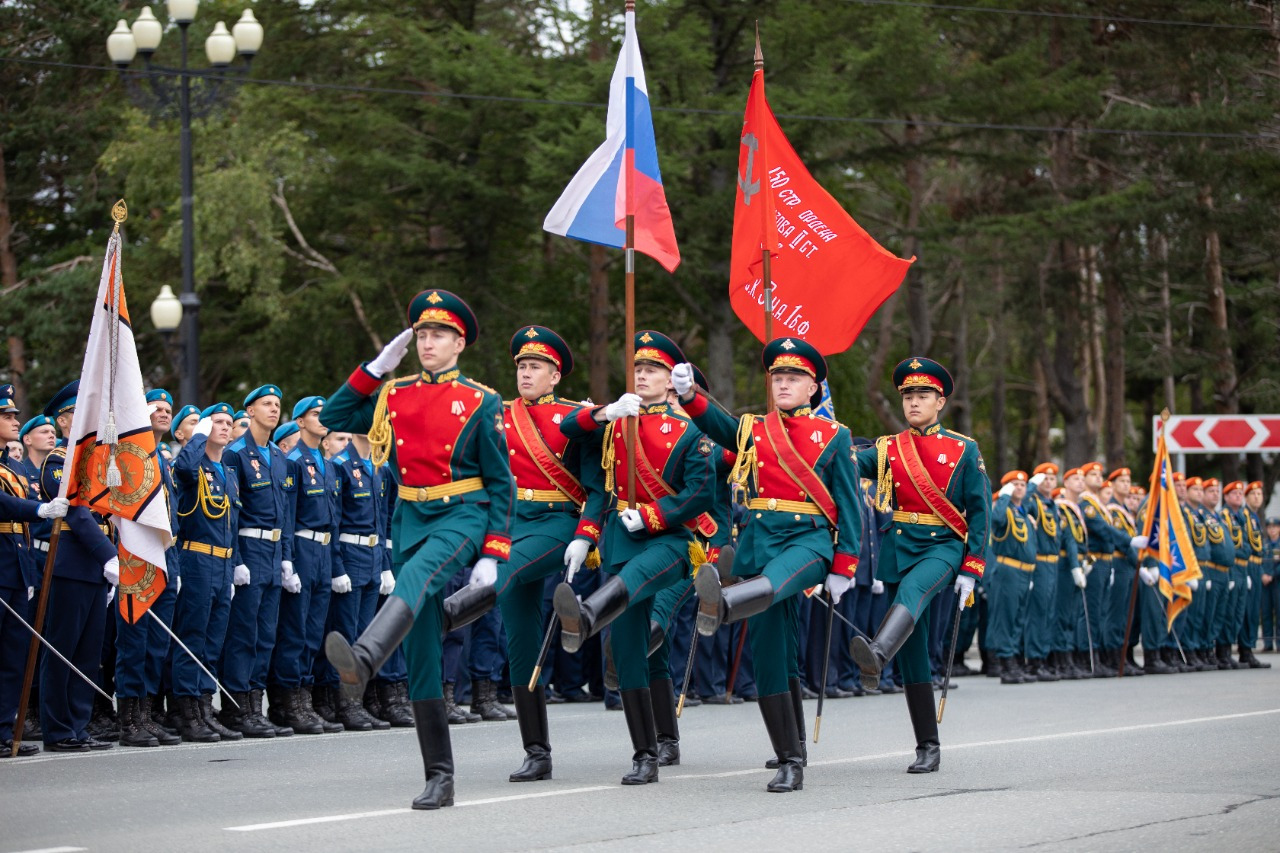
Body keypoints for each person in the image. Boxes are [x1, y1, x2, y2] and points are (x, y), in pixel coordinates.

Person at [322, 289, 514, 810]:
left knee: (424, 574)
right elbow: (332, 416)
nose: (428, 343)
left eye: (438, 336)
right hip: (410, 517)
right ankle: (440, 776)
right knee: (423, 646)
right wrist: (374, 369)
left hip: (461, 514)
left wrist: (494, 550)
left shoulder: (480, 400)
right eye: (422, 335)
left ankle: (364, 655)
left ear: (459, 344)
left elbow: (502, 482)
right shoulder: (396, 394)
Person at [676, 338, 860, 793]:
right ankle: (789, 753)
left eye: (793, 377)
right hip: (760, 545)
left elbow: (851, 506)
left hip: (809, 543)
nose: (783, 383)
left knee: (776, 584)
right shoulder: (755, 428)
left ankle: (720, 604)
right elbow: (720, 426)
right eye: (777, 377)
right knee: (772, 657)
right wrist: (690, 397)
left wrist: (845, 566)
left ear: (813, 387)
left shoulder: (833, 435)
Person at [436, 325, 605, 781]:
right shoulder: (497, 416)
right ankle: (537, 751)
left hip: (555, 526)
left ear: (555, 377)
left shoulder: (575, 417)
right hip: (511, 525)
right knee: (521, 647)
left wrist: (586, 534)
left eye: (537, 367)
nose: (527, 374)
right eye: (523, 367)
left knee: (502, 574)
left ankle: (443, 616)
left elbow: (595, 486)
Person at [554, 330, 714, 787]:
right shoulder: (616, 421)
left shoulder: (690, 429)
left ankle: (585, 616)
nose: (643, 375)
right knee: (633, 650)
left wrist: (652, 514)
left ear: (671, 380)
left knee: (640, 584)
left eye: (653, 370)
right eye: (638, 368)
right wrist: (604, 412)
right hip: (620, 542)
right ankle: (649, 750)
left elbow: (700, 492)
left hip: (668, 541)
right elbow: (569, 435)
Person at [848, 357, 990, 774]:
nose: (913, 402)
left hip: (942, 548)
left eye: (922, 395)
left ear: (940, 401)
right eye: (908, 395)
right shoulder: (888, 447)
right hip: (898, 550)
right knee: (913, 654)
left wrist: (973, 567)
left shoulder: (963, 448)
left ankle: (876, 651)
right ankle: (928, 745)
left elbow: (980, 509)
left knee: (912, 593)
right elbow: (848, 462)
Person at [37, 384, 120, 752]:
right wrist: (108, 555)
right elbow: (77, 514)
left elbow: (109, 516)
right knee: (61, 650)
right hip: (70, 565)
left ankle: (79, 725)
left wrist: (111, 557)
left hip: (96, 569)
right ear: (65, 419)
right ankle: (58, 729)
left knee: (89, 652)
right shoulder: (59, 462)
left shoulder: (95, 464)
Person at [219, 385, 295, 738]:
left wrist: (286, 559)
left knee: (266, 634)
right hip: (248, 548)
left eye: (277, 404)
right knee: (243, 633)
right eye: (266, 403)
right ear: (248, 411)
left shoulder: (279, 458)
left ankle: (254, 703)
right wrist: (235, 558)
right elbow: (230, 512)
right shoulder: (235, 453)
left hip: (274, 550)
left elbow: (287, 514)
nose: (274, 409)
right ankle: (236, 708)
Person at [0, 384, 70, 757]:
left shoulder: (11, 465)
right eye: (7, 416)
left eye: (14, 415)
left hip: (17, 567)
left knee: (14, 655)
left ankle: (3, 730)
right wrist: (38, 511)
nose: (14, 420)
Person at [111, 389, 183, 747]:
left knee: (157, 644)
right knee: (134, 642)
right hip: (136, 558)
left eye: (169, 410)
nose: (164, 414)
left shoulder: (163, 458)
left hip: (165, 557)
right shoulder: (129, 456)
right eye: (156, 408)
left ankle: (148, 713)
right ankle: (129, 719)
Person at [169, 404, 243, 743]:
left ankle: (203, 708)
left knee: (212, 643)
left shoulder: (227, 471)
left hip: (222, 563)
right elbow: (182, 466)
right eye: (217, 423)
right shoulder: (192, 466)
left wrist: (234, 565)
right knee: (192, 639)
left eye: (229, 423)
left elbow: (231, 524)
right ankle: (186, 713)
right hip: (197, 561)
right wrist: (197, 434)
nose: (226, 428)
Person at [269, 396, 343, 735]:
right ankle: (288, 702)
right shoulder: (294, 460)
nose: (322, 419)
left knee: (314, 631)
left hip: (324, 551)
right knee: (294, 631)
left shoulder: (327, 463)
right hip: (301, 547)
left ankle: (305, 696)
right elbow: (286, 515)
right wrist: (287, 559)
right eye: (315, 415)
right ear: (300, 422)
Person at [987, 470, 1036, 684]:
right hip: (1008, 570)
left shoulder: (1023, 512)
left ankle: (1015, 660)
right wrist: (1004, 495)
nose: (1020, 488)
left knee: (1018, 619)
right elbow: (995, 520)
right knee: (1006, 618)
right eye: (1014, 484)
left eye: (1023, 485)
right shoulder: (1003, 509)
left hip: (1025, 571)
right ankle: (1006, 664)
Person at [1021, 464, 1064, 681]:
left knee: (1048, 613)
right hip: (1039, 563)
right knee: (1037, 614)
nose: (1049, 482)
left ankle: (1044, 657)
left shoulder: (1052, 504)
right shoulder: (1033, 502)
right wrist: (1030, 486)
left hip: (1053, 563)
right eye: (1044, 479)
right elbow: (1022, 505)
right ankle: (1034, 660)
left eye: (1052, 479)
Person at [1260, 517, 1280, 653]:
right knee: (1266, 612)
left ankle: (1279, 642)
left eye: (1274, 527)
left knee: (1279, 612)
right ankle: (1267, 643)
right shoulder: (1264, 544)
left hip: (1277, 582)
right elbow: (1258, 561)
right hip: (1265, 583)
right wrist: (1262, 575)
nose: (1272, 529)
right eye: (1269, 527)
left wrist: (1273, 575)